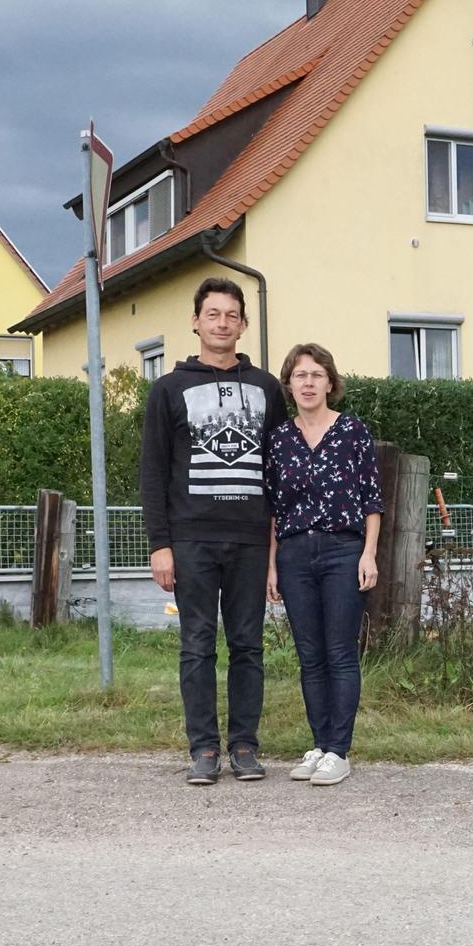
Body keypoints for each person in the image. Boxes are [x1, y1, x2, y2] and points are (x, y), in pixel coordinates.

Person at [140, 277, 290, 785]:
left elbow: (278, 470)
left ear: (243, 324)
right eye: (213, 314)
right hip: (191, 540)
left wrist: (276, 550)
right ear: (196, 321)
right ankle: (203, 749)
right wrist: (160, 544)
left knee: (248, 644)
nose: (222, 323)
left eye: (231, 315)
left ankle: (244, 745)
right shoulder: (168, 389)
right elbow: (152, 472)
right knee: (197, 644)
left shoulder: (268, 388)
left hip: (250, 539)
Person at [265, 343, 383, 787]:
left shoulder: (352, 431)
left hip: (342, 551)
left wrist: (368, 553)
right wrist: (272, 566)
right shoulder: (278, 440)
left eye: (317, 374)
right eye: (300, 376)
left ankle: (340, 750)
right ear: (289, 385)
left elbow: (372, 499)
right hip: (294, 554)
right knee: (310, 657)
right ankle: (318, 745)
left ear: (330, 383)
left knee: (339, 652)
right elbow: (273, 509)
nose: (309, 383)